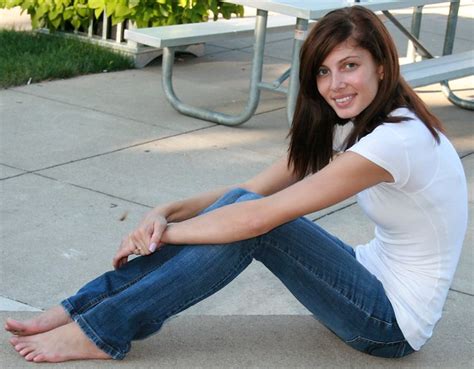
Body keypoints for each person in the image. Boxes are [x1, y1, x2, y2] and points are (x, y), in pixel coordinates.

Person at [5, 6, 467, 363]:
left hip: (388, 323)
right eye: (323, 71)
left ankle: (102, 329)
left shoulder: (396, 141)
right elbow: (251, 191)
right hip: (369, 273)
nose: (334, 84)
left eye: (350, 66)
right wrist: (168, 210)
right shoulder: (356, 122)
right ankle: (83, 307)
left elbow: (256, 218)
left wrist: (166, 235)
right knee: (242, 212)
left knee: (258, 227)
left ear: (382, 67)